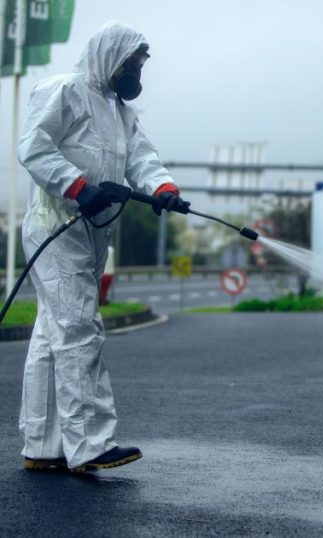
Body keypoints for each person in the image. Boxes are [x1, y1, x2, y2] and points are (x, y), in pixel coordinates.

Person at [17, 21, 188, 472]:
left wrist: (163, 187)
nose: (136, 73)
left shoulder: (120, 112)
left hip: (92, 229)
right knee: (78, 328)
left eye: (140, 66)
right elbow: (32, 146)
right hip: (56, 222)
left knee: (53, 333)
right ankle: (90, 444)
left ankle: (43, 443)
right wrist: (75, 186)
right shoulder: (64, 91)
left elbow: (141, 157)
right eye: (132, 64)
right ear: (109, 56)